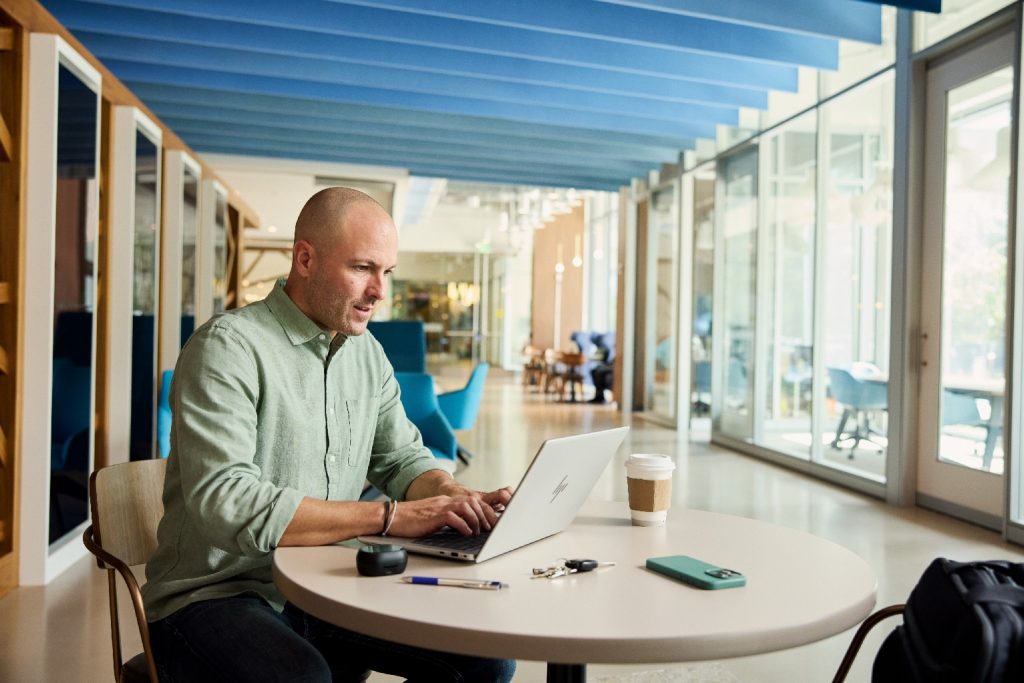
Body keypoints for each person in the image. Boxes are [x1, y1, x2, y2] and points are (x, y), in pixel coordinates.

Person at [142, 187, 516, 683]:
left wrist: (451, 497)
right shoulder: (227, 348)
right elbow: (226, 502)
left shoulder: (367, 355)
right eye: (362, 268)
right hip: (216, 595)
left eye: (387, 272)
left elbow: (402, 459)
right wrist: (390, 516)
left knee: (485, 661)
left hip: (322, 586)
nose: (379, 291)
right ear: (305, 259)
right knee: (304, 678)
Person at [589, 334, 615, 404]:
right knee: (596, 370)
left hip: (615, 367)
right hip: (611, 365)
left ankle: (599, 396)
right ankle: (599, 396)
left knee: (600, 371)